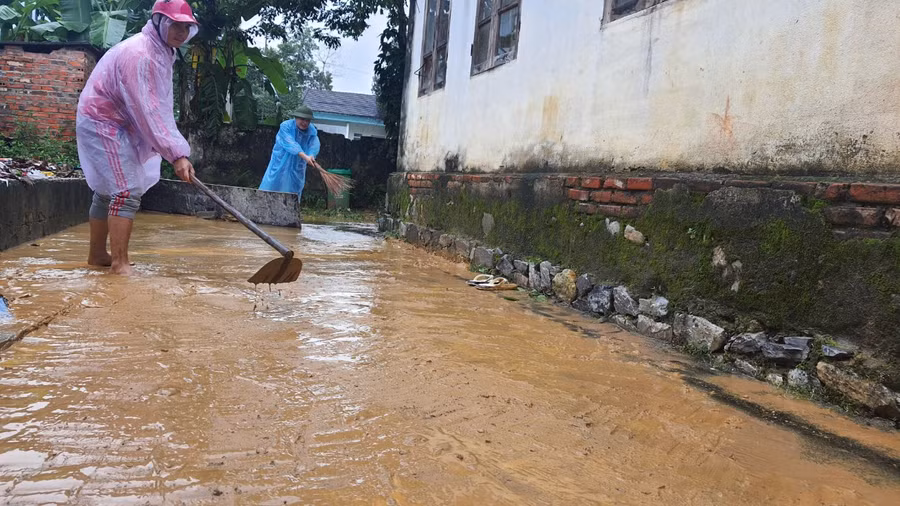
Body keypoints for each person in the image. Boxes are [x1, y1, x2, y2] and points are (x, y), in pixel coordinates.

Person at [75, 0, 199, 275]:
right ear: (159, 22)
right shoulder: (141, 53)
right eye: (175, 25)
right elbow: (149, 110)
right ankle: (119, 263)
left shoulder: (162, 51)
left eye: (186, 27)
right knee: (125, 190)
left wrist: (175, 151)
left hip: (117, 121)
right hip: (102, 121)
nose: (180, 32)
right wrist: (176, 153)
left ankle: (98, 255)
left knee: (110, 189)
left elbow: (159, 106)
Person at [258, 106, 321, 198]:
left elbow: (314, 145)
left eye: (307, 120)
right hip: (280, 162)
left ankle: (290, 210)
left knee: (293, 189)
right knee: (272, 184)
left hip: (297, 165)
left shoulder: (312, 131)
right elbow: (290, 143)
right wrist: (305, 157)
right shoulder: (286, 126)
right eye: (302, 119)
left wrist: (311, 155)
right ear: (296, 118)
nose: (305, 123)